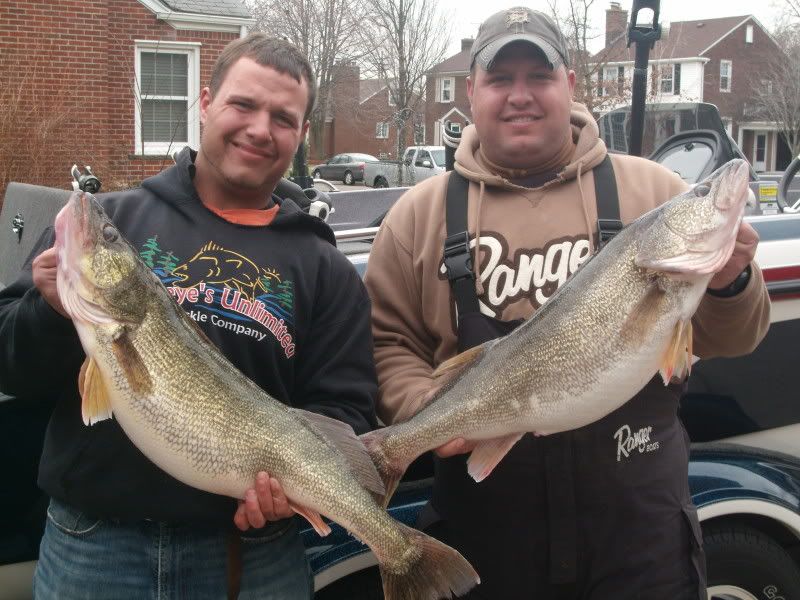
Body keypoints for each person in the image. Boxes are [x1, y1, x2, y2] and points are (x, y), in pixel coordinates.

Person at [364, 7, 770, 599]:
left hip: (639, 539)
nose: (520, 96)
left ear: (571, 85)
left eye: (540, 76)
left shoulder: (655, 192)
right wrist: (423, 406)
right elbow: (388, 344)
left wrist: (732, 280)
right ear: (472, 89)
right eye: (501, 79)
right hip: (488, 540)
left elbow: (736, 337)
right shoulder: (417, 217)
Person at [0, 33, 378, 599]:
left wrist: (287, 489)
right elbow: (9, 366)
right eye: (243, 105)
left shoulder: (326, 269)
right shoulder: (118, 222)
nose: (259, 128)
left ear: (300, 135)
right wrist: (50, 310)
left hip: (251, 560)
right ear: (206, 103)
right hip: (94, 549)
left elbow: (346, 415)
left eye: (282, 117)